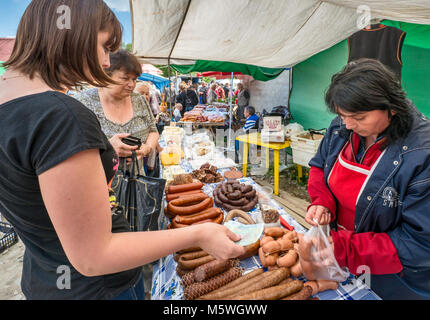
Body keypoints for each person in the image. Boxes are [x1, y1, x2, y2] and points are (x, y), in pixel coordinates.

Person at [0, 0, 245, 300]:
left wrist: (104, 152)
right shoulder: (61, 116)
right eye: (105, 46)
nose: (106, 61)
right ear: (71, 33)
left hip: (45, 279)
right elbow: (94, 255)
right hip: (99, 290)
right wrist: (199, 234)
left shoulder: (10, 104)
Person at [300, 58, 430, 300]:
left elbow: (420, 243)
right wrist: (321, 201)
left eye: (358, 117)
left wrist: (346, 248)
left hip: (395, 278)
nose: (348, 125)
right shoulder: (341, 126)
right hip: (341, 257)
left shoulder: (422, 154)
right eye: (342, 114)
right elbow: (319, 166)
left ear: (391, 107)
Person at [73, 50, 159, 176]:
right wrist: (107, 148)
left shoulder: (139, 100)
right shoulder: (83, 102)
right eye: (125, 78)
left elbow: (153, 131)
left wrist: (147, 148)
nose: (131, 84)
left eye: (134, 79)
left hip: (136, 184)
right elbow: (73, 148)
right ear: (106, 75)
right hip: (99, 183)